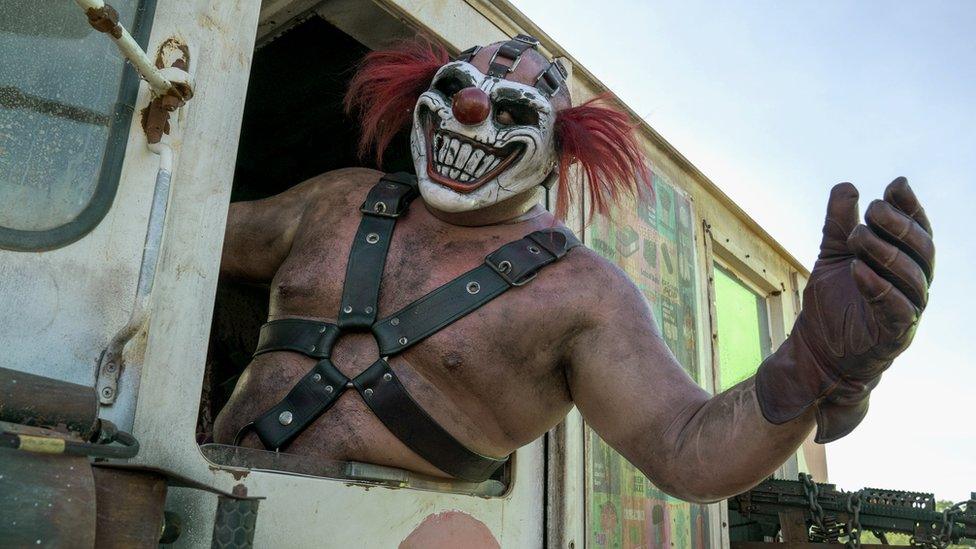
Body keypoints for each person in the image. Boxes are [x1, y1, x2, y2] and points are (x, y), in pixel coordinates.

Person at [213, 36, 934, 502]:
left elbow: (685, 449)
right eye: (459, 85)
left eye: (511, 107)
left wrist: (809, 363)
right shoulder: (334, 200)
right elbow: (178, 229)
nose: (471, 110)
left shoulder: (584, 295)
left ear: (557, 154)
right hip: (189, 495)